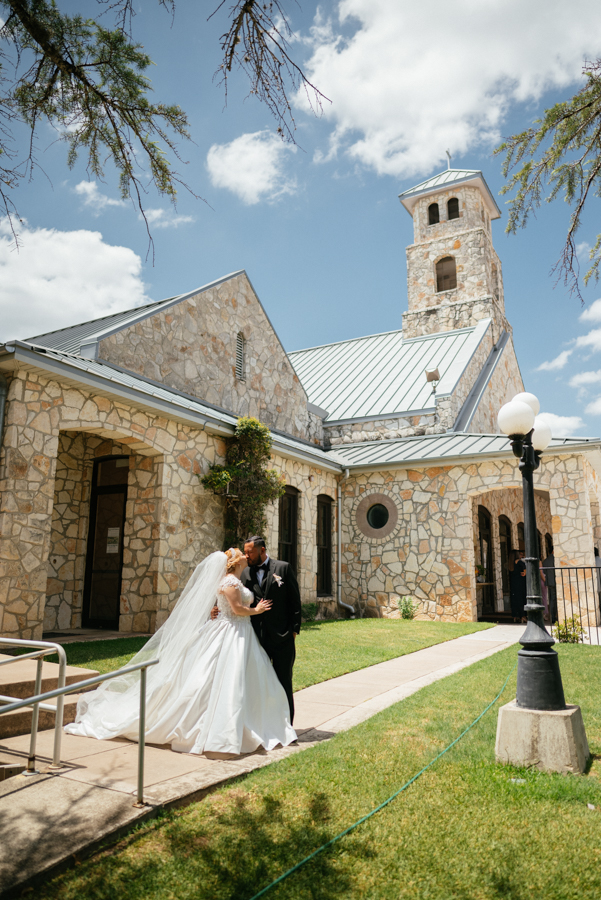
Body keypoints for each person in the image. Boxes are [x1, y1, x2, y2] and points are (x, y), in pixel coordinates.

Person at [65, 549, 296, 756]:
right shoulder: (229, 582)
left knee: (242, 679)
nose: (245, 556)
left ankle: (251, 722)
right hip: (231, 631)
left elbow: (227, 605)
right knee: (220, 678)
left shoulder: (237, 578)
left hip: (241, 634)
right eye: (240, 553)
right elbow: (236, 609)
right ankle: (215, 728)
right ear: (234, 562)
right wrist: (256, 609)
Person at [508, 548, 527, 623]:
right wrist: (524, 573)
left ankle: (515, 616)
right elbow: (524, 571)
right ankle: (523, 616)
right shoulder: (519, 562)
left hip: (513, 584)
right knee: (522, 599)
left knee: (515, 600)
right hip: (521, 583)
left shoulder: (510, 563)